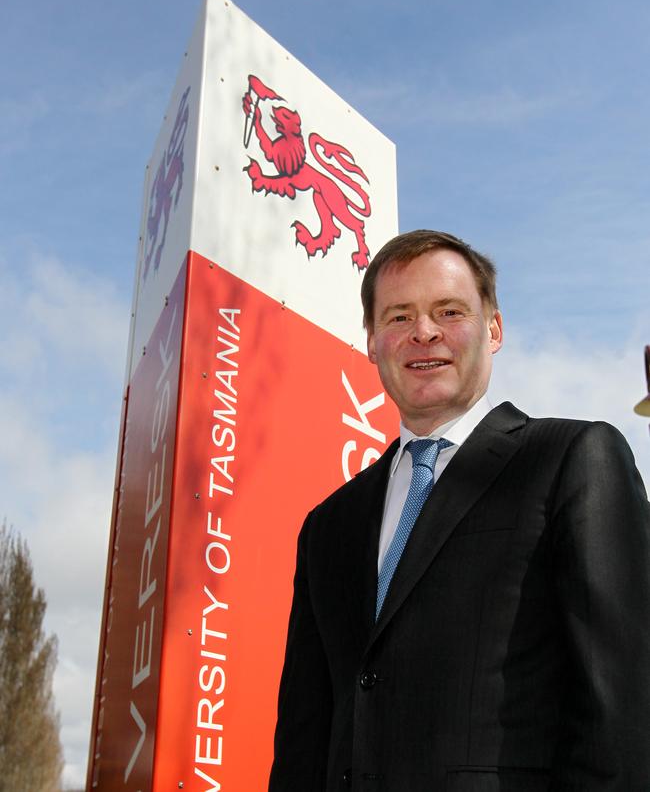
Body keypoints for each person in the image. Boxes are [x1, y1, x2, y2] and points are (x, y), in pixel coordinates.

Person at [269, 230, 650, 791]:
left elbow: (623, 711)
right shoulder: (327, 526)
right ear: (372, 340)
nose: (424, 332)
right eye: (399, 317)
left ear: (494, 329)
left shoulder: (573, 460)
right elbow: (305, 734)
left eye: (449, 311)